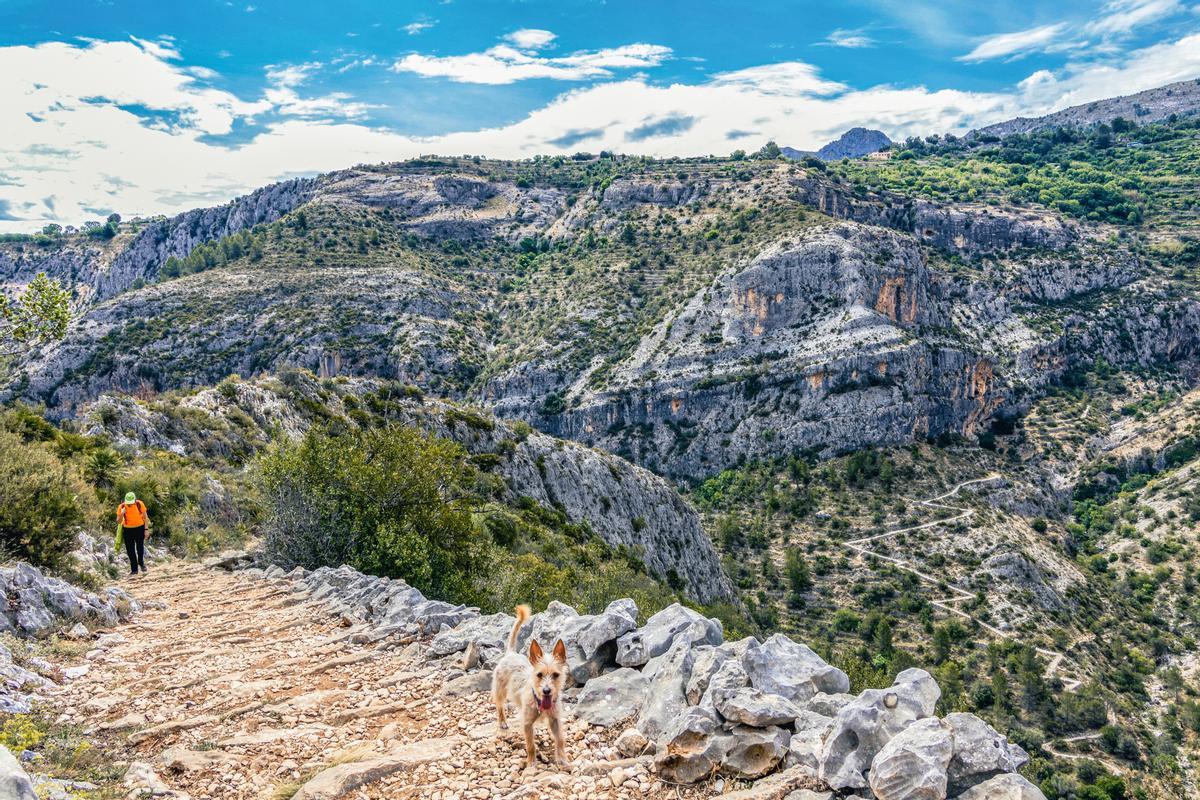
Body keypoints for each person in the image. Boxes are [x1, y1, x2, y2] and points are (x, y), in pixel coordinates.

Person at [117, 492, 150, 575]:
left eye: (131, 503)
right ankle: (134, 569)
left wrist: (146, 529)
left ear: (135, 500)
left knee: (140, 547)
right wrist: (122, 513)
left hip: (139, 528)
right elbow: (119, 521)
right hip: (127, 530)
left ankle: (141, 563)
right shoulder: (121, 507)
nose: (130, 505)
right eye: (128, 503)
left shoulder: (139, 504)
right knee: (130, 550)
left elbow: (145, 517)